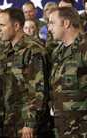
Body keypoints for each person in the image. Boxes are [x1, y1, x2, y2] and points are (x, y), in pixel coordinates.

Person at [0, 8, 52, 138]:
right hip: (10, 123)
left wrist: (30, 123)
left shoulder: (34, 50)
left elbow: (39, 90)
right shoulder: (5, 51)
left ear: (16, 26)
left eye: (2, 25)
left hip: (29, 128)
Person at [48, 7, 87, 138]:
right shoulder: (57, 51)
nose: (49, 28)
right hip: (61, 126)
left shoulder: (84, 47)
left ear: (66, 23)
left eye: (52, 23)